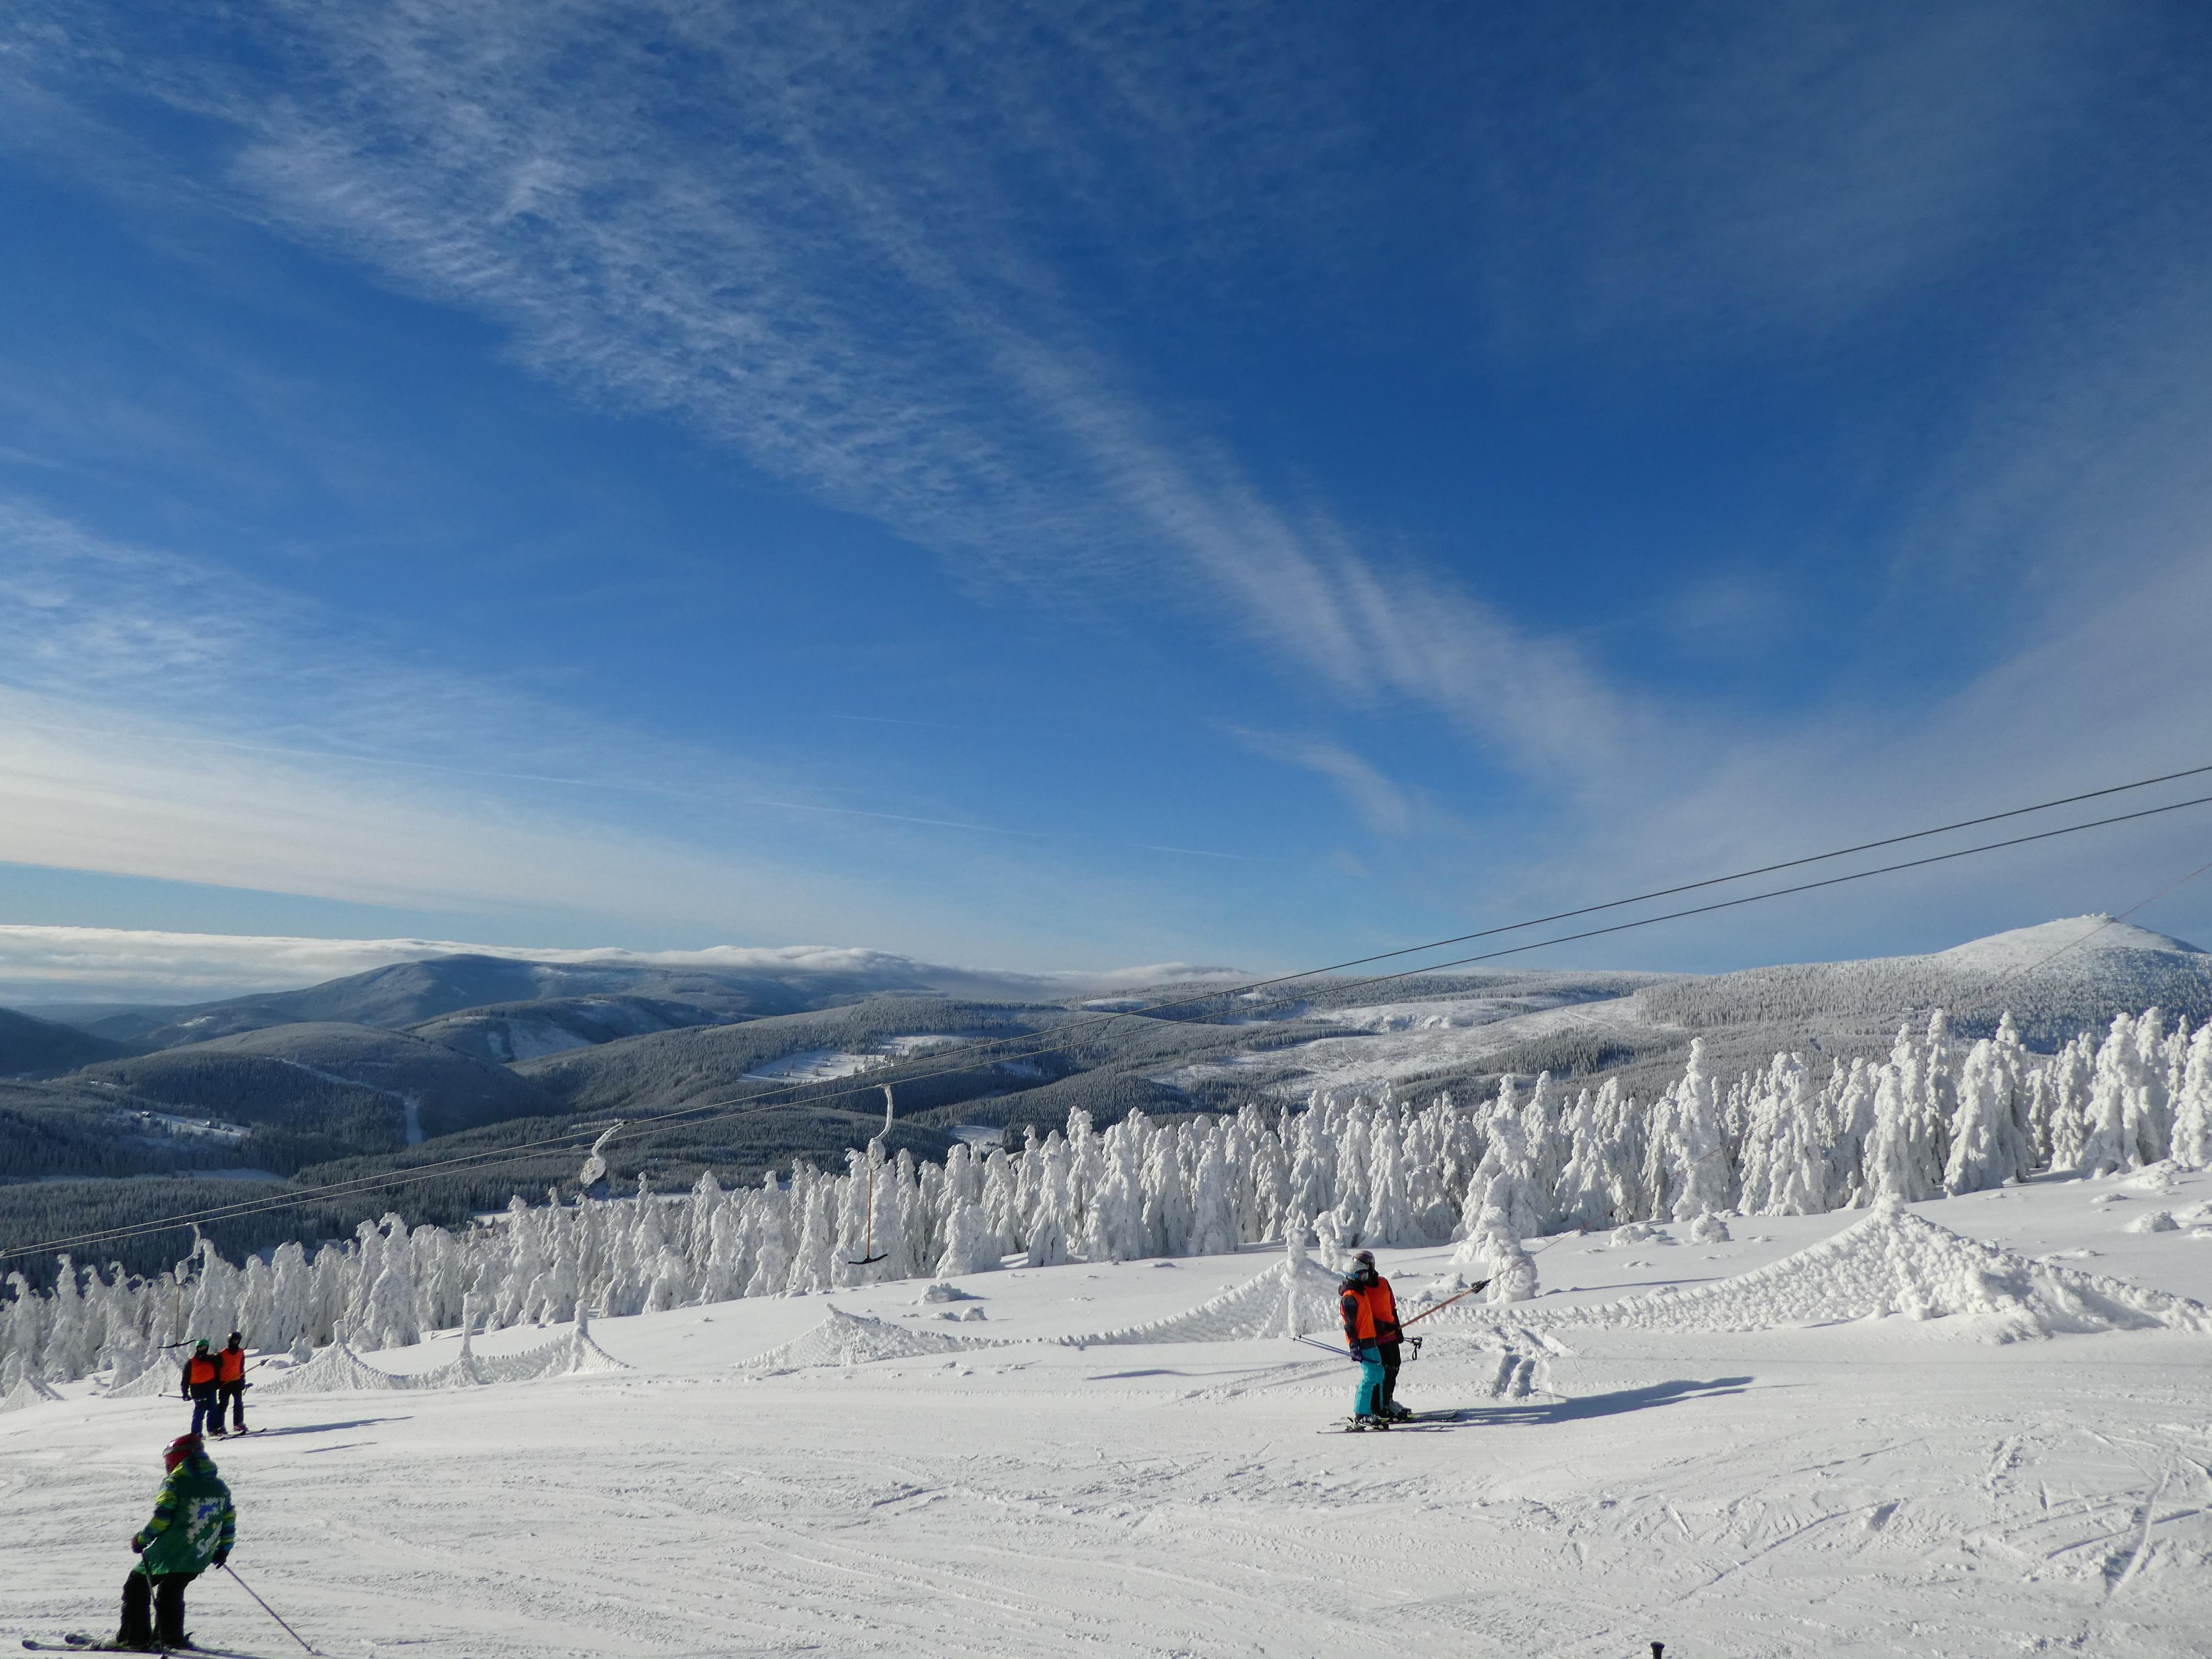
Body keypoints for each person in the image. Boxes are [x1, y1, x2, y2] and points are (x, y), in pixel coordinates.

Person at [116, 1433, 234, 1652]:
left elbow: (162, 1518)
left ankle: (135, 1638)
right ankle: (170, 1637)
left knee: (136, 1586)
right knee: (172, 1590)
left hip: (169, 1552)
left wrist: (142, 1540)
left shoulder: (175, 1482)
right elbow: (228, 1520)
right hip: (199, 1554)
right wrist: (223, 1549)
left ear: (177, 1459)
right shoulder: (219, 1486)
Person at [1339, 1249, 1410, 1425]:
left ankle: (1384, 1404)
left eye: (1366, 1271)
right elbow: (1351, 1323)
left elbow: (1390, 1307)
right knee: (1374, 1374)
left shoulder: (1373, 1287)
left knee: (1387, 1370)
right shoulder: (1356, 1292)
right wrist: (1354, 1344)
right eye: (1361, 1273)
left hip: (1380, 1335)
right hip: (1372, 1339)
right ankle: (1368, 1410)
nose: (1365, 1276)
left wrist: (1396, 1327)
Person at [179, 1340, 223, 1438]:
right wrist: (185, 1392)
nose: (202, 1350)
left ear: (207, 1348)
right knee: (200, 1411)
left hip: (210, 1388)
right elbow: (185, 1379)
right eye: (200, 1348)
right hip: (198, 1390)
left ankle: (212, 1429)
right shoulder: (191, 1362)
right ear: (197, 1348)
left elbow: (220, 1366)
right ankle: (196, 1433)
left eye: (204, 1348)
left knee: (213, 1409)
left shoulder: (211, 1359)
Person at [216, 1332, 249, 1434]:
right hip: (225, 1383)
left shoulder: (241, 1352)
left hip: (237, 1382)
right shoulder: (222, 1354)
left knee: (239, 1404)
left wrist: (243, 1380)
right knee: (223, 1405)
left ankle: (238, 1424)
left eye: (237, 1341)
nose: (235, 1342)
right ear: (229, 1341)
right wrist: (217, 1383)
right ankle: (220, 1425)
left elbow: (241, 1367)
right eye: (234, 1340)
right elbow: (216, 1369)